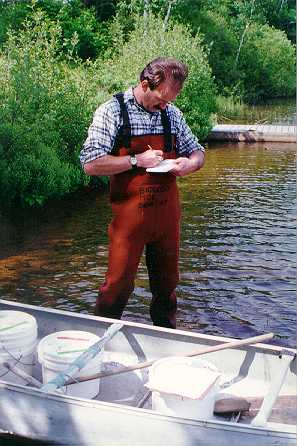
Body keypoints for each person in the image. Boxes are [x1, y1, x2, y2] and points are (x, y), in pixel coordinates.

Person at [80, 57, 205, 328]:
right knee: (117, 286)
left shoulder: (171, 114)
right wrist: (136, 161)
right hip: (129, 223)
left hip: (166, 220)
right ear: (144, 84)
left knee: (167, 287)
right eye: (161, 99)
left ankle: (166, 338)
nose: (165, 106)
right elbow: (90, 164)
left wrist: (190, 164)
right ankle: (99, 336)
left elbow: (198, 151)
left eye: (170, 100)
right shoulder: (113, 111)